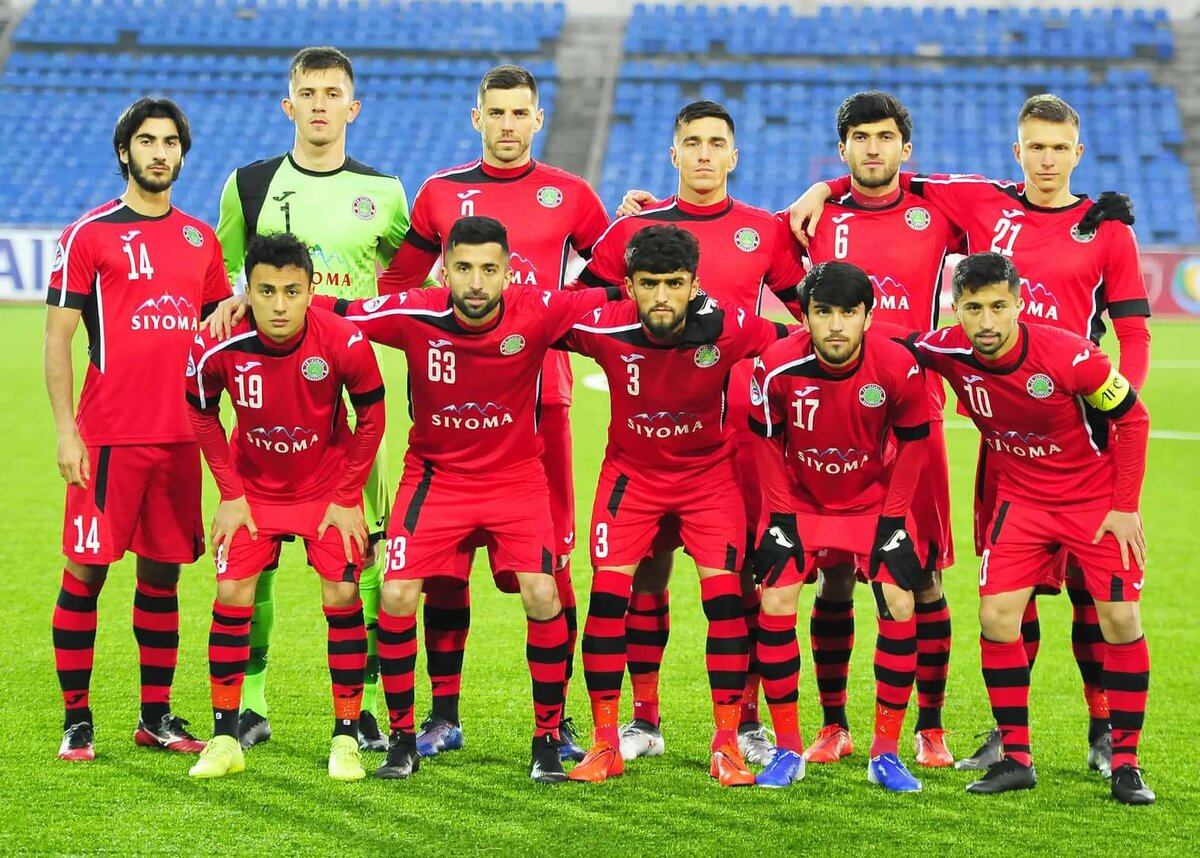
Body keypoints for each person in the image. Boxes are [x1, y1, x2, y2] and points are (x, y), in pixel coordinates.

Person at [789, 94, 1146, 775]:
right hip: (989, 435)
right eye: (1035, 146)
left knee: (1084, 587)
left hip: (1069, 423)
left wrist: (1123, 396)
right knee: (1004, 590)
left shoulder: (1099, 229)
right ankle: (1006, 736)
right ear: (1017, 151)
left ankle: (1101, 729)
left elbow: (1133, 329)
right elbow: (881, 180)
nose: (1046, 159)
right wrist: (822, 188)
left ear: (1076, 152)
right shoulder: (976, 203)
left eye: (1058, 147)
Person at [322, 216, 618, 783]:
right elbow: (340, 310)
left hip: (516, 479)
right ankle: (402, 741)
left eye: (488, 269)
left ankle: (547, 739)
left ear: (508, 272)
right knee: (397, 592)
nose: (476, 282)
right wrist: (247, 301)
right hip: (436, 479)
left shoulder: (538, 309)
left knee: (543, 590)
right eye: (463, 268)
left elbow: (616, 297)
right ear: (444, 272)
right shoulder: (415, 311)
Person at [376, 64, 610, 762]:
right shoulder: (440, 193)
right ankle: (443, 715)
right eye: (496, 112)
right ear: (477, 118)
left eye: (520, 112)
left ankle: (557, 721)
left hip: (543, 401)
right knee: (443, 569)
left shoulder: (571, 195)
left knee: (551, 564)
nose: (508, 124)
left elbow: (613, 274)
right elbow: (399, 283)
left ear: (538, 119)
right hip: (451, 402)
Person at [578, 100, 808, 765]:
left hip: (741, 440)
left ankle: (747, 724)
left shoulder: (765, 231)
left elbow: (806, 318)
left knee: (742, 583)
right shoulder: (634, 229)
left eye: (716, 143)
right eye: (693, 143)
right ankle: (644, 720)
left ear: (734, 155)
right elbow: (584, 304)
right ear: (673, 154)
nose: (704, 154)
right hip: (650, 439)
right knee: (643, 577)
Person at [215, 45, 414, 752]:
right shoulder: (248, 185)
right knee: (255, 555)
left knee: (360, 552)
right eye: (309, 93)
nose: (320, 105)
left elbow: (416, 277)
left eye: (333, 94)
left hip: (355, 404)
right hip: (269, 404)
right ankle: (251, 701)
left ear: (352, 107)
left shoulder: (384, 192)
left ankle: (363, 707)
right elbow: (223, 279)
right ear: (289, 105)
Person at [914, 252, 1154, 805]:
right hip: (1021, 503)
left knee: (1120, 619)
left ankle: (1126, 763)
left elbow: (1133, 418)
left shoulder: (1071, 356)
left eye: (999, 306)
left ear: (1019, 304)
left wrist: (1124, 507)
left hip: (1093, 502)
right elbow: (888, 348)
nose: (987, 321)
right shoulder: (945, 349)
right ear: (956, 309)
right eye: (974, 308)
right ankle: (1017, 759)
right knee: (997, 618)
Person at [557, 225, 789, 786]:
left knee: (726, 605)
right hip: (630, 481)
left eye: (675, 283)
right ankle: (606, 742)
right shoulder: (603, 325)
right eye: (649, 283)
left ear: (694, 285)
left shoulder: (729, 326)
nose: (661, 296)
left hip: (709, 480)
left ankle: (727, 744)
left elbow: (797, 340)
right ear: (630, 285)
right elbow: (528, 318)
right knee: (608, 601)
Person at [781, 91, 963, 767]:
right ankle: (834, 724)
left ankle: (930, 726)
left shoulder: (938, 211)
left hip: (915, 418)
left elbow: (1014, 208)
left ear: (905, 148)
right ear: (843, 148)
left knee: (923, 577)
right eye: (860, 137)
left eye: (885, 136)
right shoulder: (815, 217)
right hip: (834, 424)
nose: (873, 148)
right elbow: (728, 241)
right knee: (831, 576)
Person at [46, 97, 230, 761]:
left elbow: (218, 339)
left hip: (179, 439)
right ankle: (77, 719)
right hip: (108, 438)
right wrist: (66, 431)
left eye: (170, 142)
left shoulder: (201, 240)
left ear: (182, 153)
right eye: (147, 141)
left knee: (162, 580)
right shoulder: (88, 235)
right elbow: (57, 339)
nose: (160, 152)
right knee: (85, 574)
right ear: (125, 151)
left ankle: (155, 716)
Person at [185, 233, 385, 782]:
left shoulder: (342, 340)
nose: (279, 305)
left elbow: (373, 417)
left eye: (292, 291)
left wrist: (347, 496)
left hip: (326, 489)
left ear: (310, 290)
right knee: (232, 592)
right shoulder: (217, 342)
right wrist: (230, 493)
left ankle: (345, 737)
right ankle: (225, 737)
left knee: (343, 594)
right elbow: (201, 413)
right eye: (266, 291)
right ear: (246, 292)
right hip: (252, 491)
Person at [750, 262, 931, 792]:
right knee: (774, 599)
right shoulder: (776, 366)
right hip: (800, 502)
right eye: (822, 312)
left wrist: (894, 520)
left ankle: (885, 753)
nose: (835, 325)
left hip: (872, 503)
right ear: (804, 316)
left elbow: (914, 444)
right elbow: (766, 442)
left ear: (868, 317)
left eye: (848, 313)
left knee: (900, 602)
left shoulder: (897, 366)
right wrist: (779, 517)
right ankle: (788, 750)